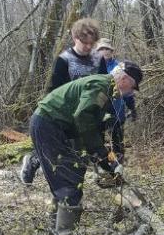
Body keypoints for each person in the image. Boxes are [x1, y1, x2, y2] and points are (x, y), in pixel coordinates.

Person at [28, 61, 143, 235]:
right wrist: (100, 153)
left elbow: (91, 127)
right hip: (50, 124)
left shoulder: (106, 88)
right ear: (124, 78)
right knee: (68, 179)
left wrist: (107, 162)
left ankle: (55, 229)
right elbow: (83, 117)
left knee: (76, 167)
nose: (131, 91)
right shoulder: (101, 86)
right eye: (133, 86)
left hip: (58, 126)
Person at [18, 18, 108, 184]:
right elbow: (54, 92)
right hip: (65, 113)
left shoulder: (98, 59)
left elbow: (104, 87)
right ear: (75, 38)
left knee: (81, 155)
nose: (88, 47)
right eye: (84, 43)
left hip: (87, 113)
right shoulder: (64, 60)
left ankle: (87, 181)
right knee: (60, 154)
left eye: (92, 43)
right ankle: (33, 161)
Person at [93, 41, 137, 163]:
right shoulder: (93, 68)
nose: (105, 51)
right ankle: (103, 170)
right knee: (98, 143)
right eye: (101, 49)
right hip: (99, 112)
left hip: (117, 111)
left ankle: (119, 169)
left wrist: (132, 108)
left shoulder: (119, 67)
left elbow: (127, 90)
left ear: (112, 51)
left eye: (107, 49)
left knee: (117, 143)